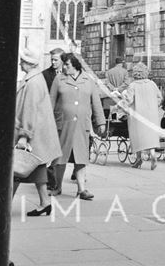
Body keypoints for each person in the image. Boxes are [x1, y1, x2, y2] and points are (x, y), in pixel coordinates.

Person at [13, 48, 62, 216]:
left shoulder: (32, 82)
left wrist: (23, 136)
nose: (20, 63)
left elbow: (29, 110)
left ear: (28, 64)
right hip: (39, 135)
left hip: (33, 135)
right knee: (36, 168)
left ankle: (1, 205)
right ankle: (45, 202)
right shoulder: (36, 78)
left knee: (16, 169)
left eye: (22, 61)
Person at [50, 52, 106, 199]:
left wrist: (100, 122)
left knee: (81, 157)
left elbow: (96, 103)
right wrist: (47, 122)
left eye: (67, 64)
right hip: (63, 124)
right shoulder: (59, 79)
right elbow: (50, 102)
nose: (64, 67)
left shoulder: (88, 80)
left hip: (82, 125)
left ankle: (82, 190)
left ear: (75, 64)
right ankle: (57, 186)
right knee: (60, 158)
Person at [119, 62, 162, 170]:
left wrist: (119, 106)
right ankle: (152, 154)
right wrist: (154, 106)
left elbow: (128, 100)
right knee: (150, 136)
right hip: (151, 114)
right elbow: (159, 98)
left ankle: (139, 159)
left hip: (138, 115)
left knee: (137, 137)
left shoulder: (133, 85)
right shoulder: (152, 84)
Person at [41, 48, 64, 190]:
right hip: (50, 115)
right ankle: (51, 180)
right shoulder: (45, 75)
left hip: (63, 116)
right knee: (50, 148)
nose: (53, 62)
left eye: (56, 59)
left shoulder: (68, 74)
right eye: (52, 59)